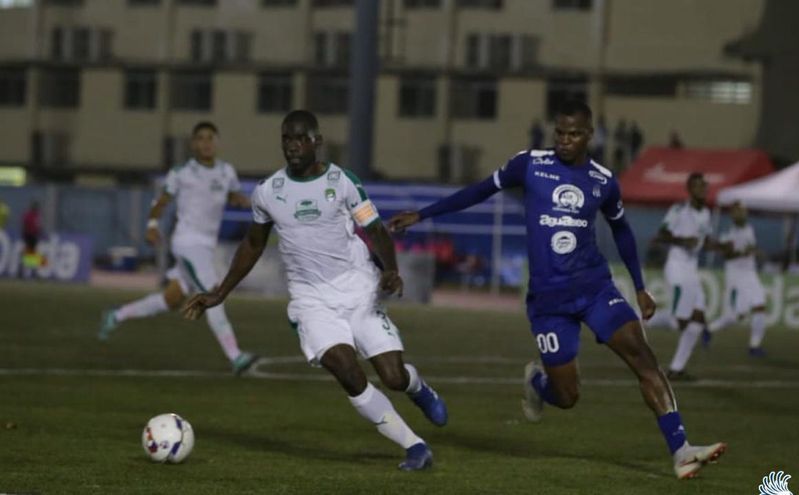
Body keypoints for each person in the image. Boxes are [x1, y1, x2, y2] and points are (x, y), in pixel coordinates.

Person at [389, 100, 725, 480]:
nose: (565, 140)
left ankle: (681, 449)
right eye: (560, 133)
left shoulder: (602, 180)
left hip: (595, 287)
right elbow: (480, 190)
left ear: (589, 135)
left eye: (574, 134)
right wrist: (423, 214)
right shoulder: (529, 164)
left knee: (643, 357)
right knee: (567, 397)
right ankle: (538, 382)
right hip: (549, 300)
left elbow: (621, 230)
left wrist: (640, 287)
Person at [183, 110, 447, 471]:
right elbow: (253, 243)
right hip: (311, 300)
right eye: (286, 139)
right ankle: (415, 446)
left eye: (299, 139)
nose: (292, 146)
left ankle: (417, 388)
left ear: (316, 142)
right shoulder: (268, 191)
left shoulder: (342, 181)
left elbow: (376, 229)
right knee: (348, 372)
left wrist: (390, 270)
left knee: (392, 376)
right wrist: (220, 292)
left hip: (358, 289)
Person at [98, 121, 258, 376]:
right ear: (193, 144)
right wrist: (152, 224)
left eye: (210, 138)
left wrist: (245, 201)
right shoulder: (182, 172)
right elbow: (162, 201)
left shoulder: (227, 172)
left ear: (217, 142)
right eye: (200, 138)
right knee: (213, 293)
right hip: (188, 243)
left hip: (205, 247)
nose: (206, 142)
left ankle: (116, 315)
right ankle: (235, 356)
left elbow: (231, 195)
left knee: (171, 299)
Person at [655, 173, 716, 380]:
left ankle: (677, 369)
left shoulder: (706, 213)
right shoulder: (679, 209)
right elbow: (662, 234)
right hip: (676, 266)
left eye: (704, 185)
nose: (703, 189)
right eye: (698, 186)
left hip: (692, 270)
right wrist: (682, 240)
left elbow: (705, 241)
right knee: (680, 320)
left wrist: (723, 247)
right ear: (689, 189)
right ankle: (643, 317)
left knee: (697, 321)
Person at [706, 202, 768, 357]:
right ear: (732, 215)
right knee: (736, 316)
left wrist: (755, 251)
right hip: (735, 276)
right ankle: (709, 329)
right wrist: (743, 252)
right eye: (737, 211)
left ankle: (754, 346)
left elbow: (750, 248)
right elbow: (727, 255)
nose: (741, 214)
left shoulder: (749, 229)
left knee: (760, 306)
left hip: (750, 274)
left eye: (742, 211)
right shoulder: (729, 234)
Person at [20, 200, 44, 272]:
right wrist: (24, 234)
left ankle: (32, 269)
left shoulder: (37, 215)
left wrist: (39, 233)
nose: (36, 208)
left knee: (33, 252)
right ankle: (22, 269)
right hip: (28, 235)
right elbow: (25, 224)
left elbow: (38, 226)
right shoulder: (28, 214)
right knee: (27, 252)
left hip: (34, 235)